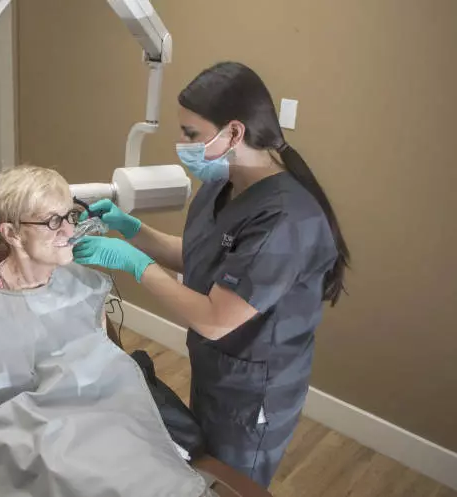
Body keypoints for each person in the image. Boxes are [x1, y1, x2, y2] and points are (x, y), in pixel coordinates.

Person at [73, 61, 350, 488]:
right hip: (218, 371)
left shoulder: (285, 220)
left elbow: (217, 319)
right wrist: (132, 230)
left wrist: (134, 264)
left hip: (253, 392)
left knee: (229, 485)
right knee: (201, 468)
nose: (181, 145)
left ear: (234, 133)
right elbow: (201, 257)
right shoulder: (225, 183)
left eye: (190, 134)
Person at [0, 165, 212, 497]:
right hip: (48, 453)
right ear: (12, 233)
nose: (69, 230)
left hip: (110, 430)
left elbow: (104, 374)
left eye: (70, 216)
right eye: (53, 221)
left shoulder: (84, 285)